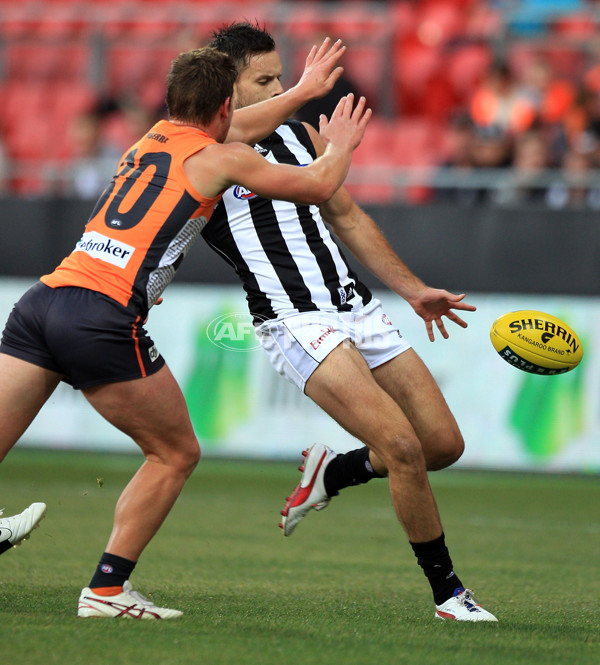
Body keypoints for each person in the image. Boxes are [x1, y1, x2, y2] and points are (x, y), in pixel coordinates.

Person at [0, 43, 369, 619]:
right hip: (100, 317)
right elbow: (320, 188)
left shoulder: (154, 135)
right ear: (224, 107)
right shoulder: (224, 159)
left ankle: (105, 589)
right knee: (174, 453)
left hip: (42, 301)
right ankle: (106, 590)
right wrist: (341, 145)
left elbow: (240, 122)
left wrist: (298, 92)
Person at [206, 22, 497, 622]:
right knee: (400, 446)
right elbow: (162, 226)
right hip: (293, 319)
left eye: (282, 75)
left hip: (355, 306)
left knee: (442, 445)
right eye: (265, 79)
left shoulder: (298, 135)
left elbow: (348, 217)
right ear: (226, 87)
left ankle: (333, 471)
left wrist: (413, 290)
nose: (282, 87)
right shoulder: (204, 146)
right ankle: (450, 594)